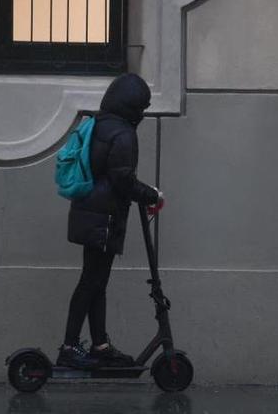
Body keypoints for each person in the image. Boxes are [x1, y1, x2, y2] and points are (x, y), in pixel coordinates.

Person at [58, 73, 162, 369]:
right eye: (141, 107)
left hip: (90, 211)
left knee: (95, 282)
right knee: (91, 282)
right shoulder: (123, 133)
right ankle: (69, 346)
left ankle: (99, 344)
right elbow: (122, 179)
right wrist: (151, 195)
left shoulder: (100, 123)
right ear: (133, 106)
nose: (142, 113)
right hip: (103, 217)